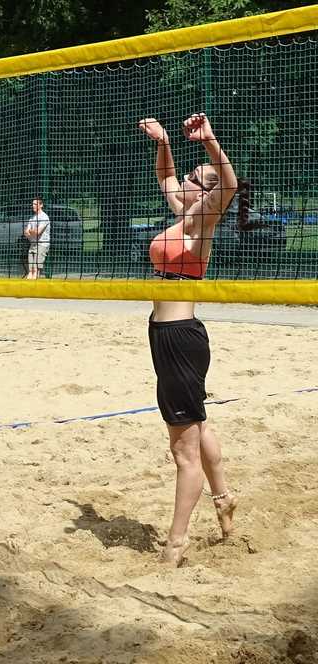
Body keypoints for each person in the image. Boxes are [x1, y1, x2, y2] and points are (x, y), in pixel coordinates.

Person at [138, 112, 240, 565]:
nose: (186, 182)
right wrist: (163, 141)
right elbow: (166, 175)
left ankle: (176, 544)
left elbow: (230, 183)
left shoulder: (203, 223)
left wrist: (209, 143)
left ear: (207, 191)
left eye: (197, 179)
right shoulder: (184, 215)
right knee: (198, 424)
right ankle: (225, 501)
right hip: (166, 333)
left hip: (180, 336)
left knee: (183, 450)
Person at [24, 197, 50, 279]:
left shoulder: (44, 217)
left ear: (41, 205)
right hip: (33, 244)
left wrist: (31, 232)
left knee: (35, 270)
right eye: (32, 204)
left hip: (42, 244)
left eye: (35, 204)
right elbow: (26, 232)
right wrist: (32, 232)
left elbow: (38, 232)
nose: (33, 206)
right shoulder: (32, 218)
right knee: (30, 271)